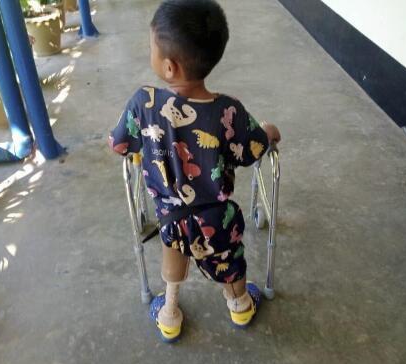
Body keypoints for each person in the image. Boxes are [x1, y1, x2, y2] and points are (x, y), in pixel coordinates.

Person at [109, 0, 281, 343]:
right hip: (217, 218)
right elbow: (254, 149)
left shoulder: (143, 103)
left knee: (173, 247)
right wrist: (270, 131)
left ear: (169, 67)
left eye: (151, 47)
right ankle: (240, 305)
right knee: (229, 260)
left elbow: (120, 145)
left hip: (170, 216)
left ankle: (170, 314)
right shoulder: (228, 110)